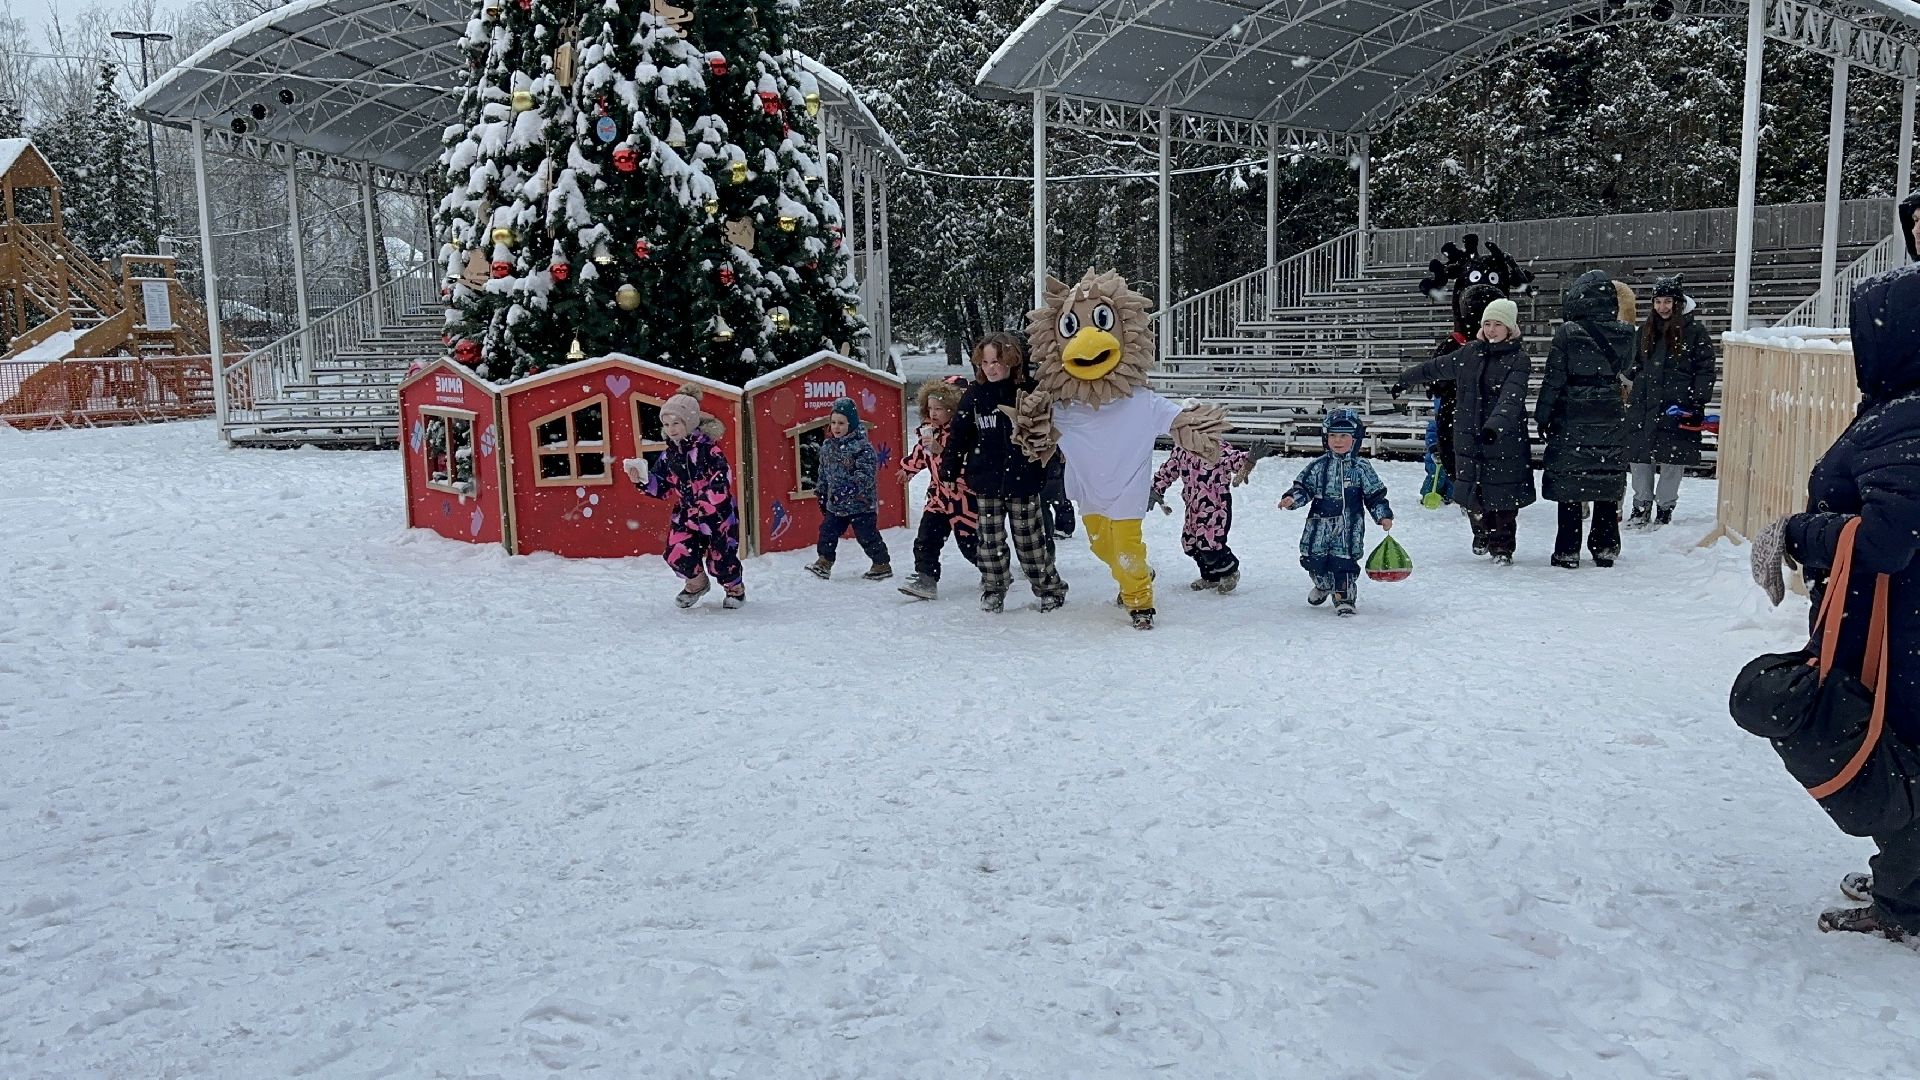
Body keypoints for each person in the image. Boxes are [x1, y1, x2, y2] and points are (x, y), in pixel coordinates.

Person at [1751, 269, 1920, 942]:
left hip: (1900, 624)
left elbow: (1888, 537)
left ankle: (1906, 904)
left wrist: (1797, 532)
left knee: (1893, 748)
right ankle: (1903, 878)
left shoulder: (1905, 415)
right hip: (1901, 621)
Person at [1391, 297, 1536, 563]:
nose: (1491, 329)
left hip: (1503, 439)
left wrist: (1495, 426)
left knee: (1502, 496)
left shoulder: (1518, 360)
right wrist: (1405, 379)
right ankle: (1481, 532)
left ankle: (1502, 547)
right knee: (1473, 492)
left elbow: (1511, 397)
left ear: (1510, 328)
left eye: (1498, 324)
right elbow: (1435, 367)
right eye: (1488, 324)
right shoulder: (1471, 352)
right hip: (1468, 434)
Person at [940, 332, 1068, 613]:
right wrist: (948, 468)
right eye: (985, 362)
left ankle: (1049, 587)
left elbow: (1048, 431)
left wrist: (1049, 464)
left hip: (1024, 479)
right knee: (990, 541)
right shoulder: (974, 396)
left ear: (1011, 361)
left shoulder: (1030, 392)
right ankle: (993, 587)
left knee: (1030, 540)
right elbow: (958, 435)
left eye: (997, 361)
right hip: (985, 480)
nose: (991, 368)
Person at [1534, 270, 1635, 568]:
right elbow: (1628, 367)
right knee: (1605, 479)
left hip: (1572, 412)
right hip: (1610, 409)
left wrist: (1542, 416)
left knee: (1570, 483)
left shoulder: (1567, 332)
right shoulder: (1626, 332)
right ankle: (1605, 546)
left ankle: (1567, 549)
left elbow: (1553, 379)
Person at [622, 388, 746, 609]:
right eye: (667, 425)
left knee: (722, 558)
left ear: (689, 422)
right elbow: (661, 486)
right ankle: (697, 584)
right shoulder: (669, 455)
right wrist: (642, 479)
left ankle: (734, 589)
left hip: (718, 515)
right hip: (686, 515)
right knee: (677, 552)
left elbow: (722, 478)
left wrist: (708, 502)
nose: (671, 429)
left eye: (676, 423)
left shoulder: (709, 449)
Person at [1277, 408, 1393, 616]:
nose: (1337, 441)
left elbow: (1375, 495)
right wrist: (1292, 498)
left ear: (1355, 439)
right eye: (1332, 435)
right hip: (1319, 525)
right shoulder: (1318, 466)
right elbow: (1304, 487)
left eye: (1343, 436)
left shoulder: (1361, 468)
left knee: (1344, 562)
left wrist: (1382, 515)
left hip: (1348, 526)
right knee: (1313, 558)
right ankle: (1323, 584)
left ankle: (1344, 597)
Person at [1624, 274, 1717, 530]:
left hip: (1677, 404)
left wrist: (1697, 401)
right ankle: (1640, 505)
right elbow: (1634, 362)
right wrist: (1632, 373)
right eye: (1658, 302)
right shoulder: (1644, 331)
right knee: (1640, 458)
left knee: (1672, 460)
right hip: (1644, 404)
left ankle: (1665, 508)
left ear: (1678, 303)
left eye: (1668, 302)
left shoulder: (1695, 332)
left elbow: (1705, 370)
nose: (1662, 307)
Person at [897, 376, 978, 600]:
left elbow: (965, 462)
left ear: (952, 409)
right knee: (926, 538)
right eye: (930, 408)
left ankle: (994, 570)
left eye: (939, 408)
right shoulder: (928, 431)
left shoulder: (962, 433)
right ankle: (926, 578)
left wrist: (941, 449)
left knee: (970, 544)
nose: (933, 413)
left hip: (963, 498)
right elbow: (920, 455)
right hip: (938, 497)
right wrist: (908, 469)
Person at [1150, 440, 1256, 593]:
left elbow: (1233, 459)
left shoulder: (1215, 447)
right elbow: (1168, 470)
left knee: (1210, 544)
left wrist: (1249, 459)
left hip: (1216, 505)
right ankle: (1210, 577)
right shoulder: (1182, 449)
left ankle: (1229, 571)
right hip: (1193, 505)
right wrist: (1156, 489)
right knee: (1190, 544)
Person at [806, 396, 892, 581]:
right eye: (833, 422)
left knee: (867, 536)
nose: (836, 427)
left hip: (861, 504)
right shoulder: (828, 446)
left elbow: (866, 475)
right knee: (827, 532)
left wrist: (850, 489)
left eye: (842, 423)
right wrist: (821, 492)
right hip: (836, 504)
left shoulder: (862, 448)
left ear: (851, 424)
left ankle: (881, 564)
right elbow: (823, 471)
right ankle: (824, 562)